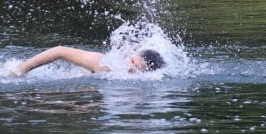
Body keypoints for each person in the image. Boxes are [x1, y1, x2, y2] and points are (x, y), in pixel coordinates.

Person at [10, 46, 165, 77]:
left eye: (136, 69)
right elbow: (60, 51)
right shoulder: (105, 65)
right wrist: (20, 70)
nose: (128, 67)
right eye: (131, 61)